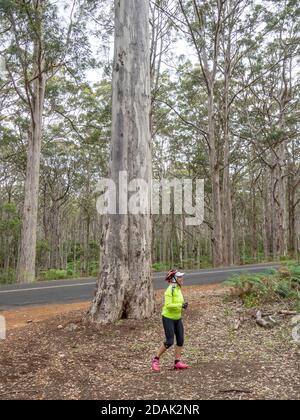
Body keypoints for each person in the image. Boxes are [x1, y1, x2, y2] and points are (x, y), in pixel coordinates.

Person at [151, 269, 189, 372]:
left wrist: (183, 306)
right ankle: (155, 360)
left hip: (177, 318)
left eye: (181, 277)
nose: (182, 278)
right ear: (174, 279)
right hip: (168, 318)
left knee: (180, 340)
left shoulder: (177, 288)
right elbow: (168, 305)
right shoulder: (170, 290)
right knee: (169, 341)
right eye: (180, 277)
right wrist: (180, 305)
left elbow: (177, 303)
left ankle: (177, 362)